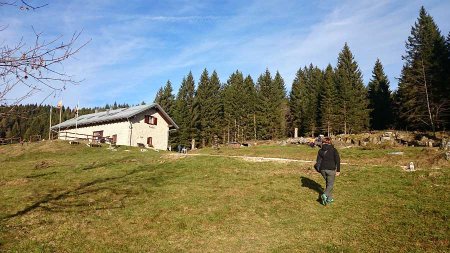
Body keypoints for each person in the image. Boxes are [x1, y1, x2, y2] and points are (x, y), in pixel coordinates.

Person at [316, 137, 340, 205]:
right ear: (330, 142)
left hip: (322, 170)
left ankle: (329, 199)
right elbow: (337, 160)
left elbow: (318, 161)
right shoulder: (334, 150)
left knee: (328, 184)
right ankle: (324, 195)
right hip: (331, 169)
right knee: (330, 185)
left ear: (323, 142)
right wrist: (338, 170)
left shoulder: (320, 150)